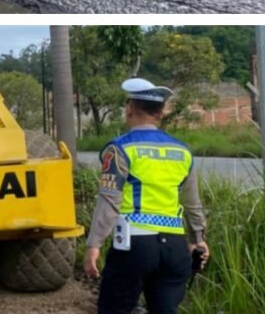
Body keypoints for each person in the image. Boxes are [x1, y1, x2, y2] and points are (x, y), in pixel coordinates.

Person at [83, 78, 209, 314]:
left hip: (134, 246)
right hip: (174, 247)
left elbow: (110, 200)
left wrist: (94, 244)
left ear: (129, 109)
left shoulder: (120, 148)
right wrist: (198, 240)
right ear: (160, 113)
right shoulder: (181, 151)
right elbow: (193, 204)